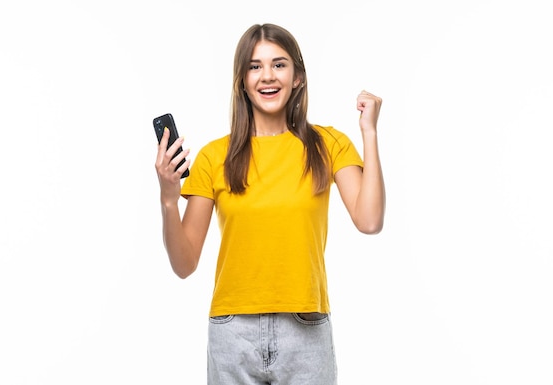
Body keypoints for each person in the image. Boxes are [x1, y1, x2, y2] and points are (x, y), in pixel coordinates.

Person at [155, 23, 385, 385]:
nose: (267, 76)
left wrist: (369, 131)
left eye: (279, 64)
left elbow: (369, 220)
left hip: (306, 328)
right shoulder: (214, 156)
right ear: (242, 80)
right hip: (233, 333)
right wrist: (169, 199)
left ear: (297, 78)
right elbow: (184, 264)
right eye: (254, 66)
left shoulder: (328, 145)